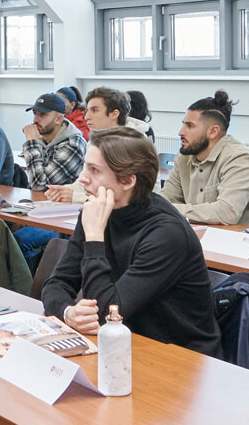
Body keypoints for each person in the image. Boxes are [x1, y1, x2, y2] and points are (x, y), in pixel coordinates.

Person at [41, 127, 220, 357]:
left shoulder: (166, 233)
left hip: (178, 357)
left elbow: (109, 314)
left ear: (127, 181)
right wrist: (68, 313)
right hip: (123, 346)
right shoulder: (95, 210)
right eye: (86, 166)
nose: (82, 178)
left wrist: (95, 236)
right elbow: (56, 284)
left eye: (94, 170)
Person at [156, 91, 249, 228]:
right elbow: (166, 197)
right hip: (207, 234)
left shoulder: (239, 158)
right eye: (183, 124)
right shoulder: (184, 157)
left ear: (213, 132)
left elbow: (228, 212)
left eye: (190, 126)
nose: (181, 132)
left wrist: (170, 210)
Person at [45, 87, 150, 203]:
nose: (86, 117)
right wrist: (62, 190)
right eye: (87, 110)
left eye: (94, 110)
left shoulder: (134, 143)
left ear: (114, 114)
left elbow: (124, 198)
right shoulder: (95, 142)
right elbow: (84, 182)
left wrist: (75, 197)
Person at [19, 92, 86, 193]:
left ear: (59, 119)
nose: (35, 119)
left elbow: (39, 185)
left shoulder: (73, 145)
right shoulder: (44, 138)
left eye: (43, 114)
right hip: (45, 203)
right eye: (35, 113)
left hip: (66, 207)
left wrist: (32, 144)